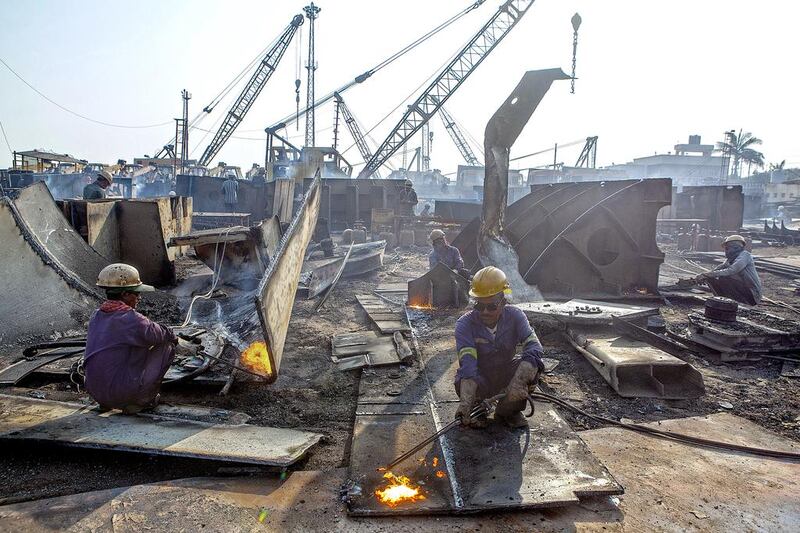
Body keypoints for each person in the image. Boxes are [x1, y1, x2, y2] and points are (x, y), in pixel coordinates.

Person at [454, 266, 544, 429]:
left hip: (506, 374)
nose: (485, 312)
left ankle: (508, 411)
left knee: (533, 368)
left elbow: (534, 347)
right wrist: (465, 403)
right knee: (462, 379)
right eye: (480, 306)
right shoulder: (464, 324)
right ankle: (477, 410)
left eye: (492, 306)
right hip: (480, 378)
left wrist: (519, 381)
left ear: (503, 302)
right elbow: (468, 365)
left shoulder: (516, 316)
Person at [84, 263, 179, 413]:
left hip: (95, 392)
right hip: (121, 393)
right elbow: (161, 334)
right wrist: (175, 338)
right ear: (125, 295)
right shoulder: (131, 319)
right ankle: (139, 401)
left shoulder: (96, 315)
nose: (139, 298)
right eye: (136, 293)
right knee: (167, 346)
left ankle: (105, 402)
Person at [693, 234, 762, 305]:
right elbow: (720, 268)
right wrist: (704, 275)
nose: (726, 251)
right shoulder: (731, 259)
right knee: (711, 278)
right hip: (745, 290)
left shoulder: (745, 256)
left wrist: (707, 274)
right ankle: (722, 301)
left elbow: (732, 270)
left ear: (735, 247)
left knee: (724, 278)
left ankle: (741, 303)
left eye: (727, 248)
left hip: (752, 295)